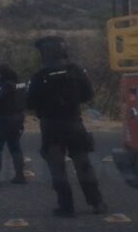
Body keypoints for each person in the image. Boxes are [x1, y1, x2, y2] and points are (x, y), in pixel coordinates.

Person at [27, 36, 108, 217]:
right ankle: (97, 202)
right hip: (73, 123)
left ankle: (66, 206)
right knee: (83, 165)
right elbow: (88, 95)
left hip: (50, 126)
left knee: (57, 168)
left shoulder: (40, 76)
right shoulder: (76, 70)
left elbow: (29, 102)